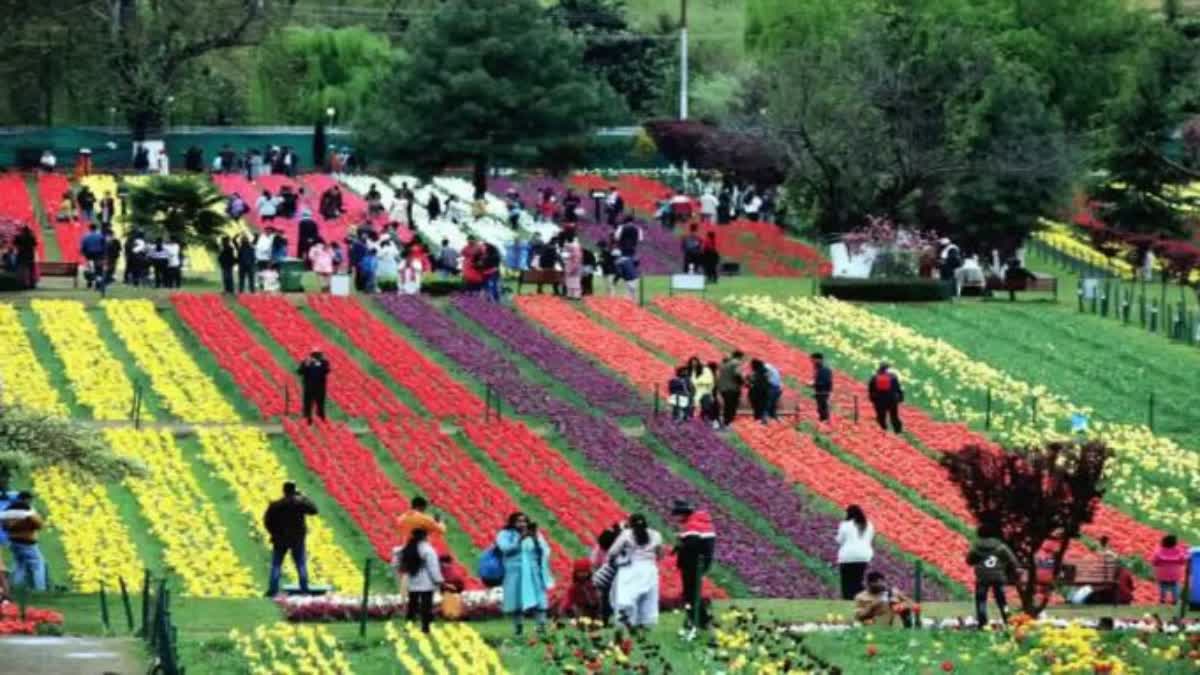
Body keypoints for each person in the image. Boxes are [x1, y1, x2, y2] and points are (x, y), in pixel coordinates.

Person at [496, 512, 554, 636]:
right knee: (517, 600)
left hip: (533, 572)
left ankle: (541, 626)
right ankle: (518, 628)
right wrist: (519, 539)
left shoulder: (535, 534)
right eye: (519, 521)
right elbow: (504, 548)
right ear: (512, 522)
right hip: (515, 572)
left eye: (524, 521)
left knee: (540, 599)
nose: (522, 524)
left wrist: (535, 539)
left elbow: (546, 550)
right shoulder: (505, 534)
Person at [606, 514, 663, 629]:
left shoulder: (627, 534)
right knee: (648, 599)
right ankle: (646, 623)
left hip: (630, 568)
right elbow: (660, 554)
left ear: (630, 523)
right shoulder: (656, 535)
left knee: (626, 598)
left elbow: (612, 552)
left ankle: (626, 622)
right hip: (650, 569)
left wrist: (613, 561)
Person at [262, 482, 318, 597]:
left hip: (280, 539)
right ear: (294, 490)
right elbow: (314, 510)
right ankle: (304, 589)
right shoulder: (299, 504)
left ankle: (273, 590)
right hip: (297, 539)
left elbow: (267, 521)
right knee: (301, 564)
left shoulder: (276, 504)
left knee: (276, 564)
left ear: (284, 491)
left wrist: (274, 533)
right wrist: (304, 497)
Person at [671, 500, 715, 637]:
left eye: (676, 515)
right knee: (693, 593)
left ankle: (697, 621)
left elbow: (692, 544)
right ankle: (702, 620)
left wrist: (681, 542)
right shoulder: (703, 522)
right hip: (701, 563)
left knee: (690, 594)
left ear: (683, 514)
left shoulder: (692, 525)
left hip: (692, 564)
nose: (676, 519)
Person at [967, 524, 1018, 628]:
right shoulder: (1001, 546)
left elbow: (969, 561)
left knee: (981, 601)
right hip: (998, 576)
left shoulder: (977, 547)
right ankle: (1008, 620)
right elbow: (1013, 561)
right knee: (1002, 601)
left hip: (982, 577)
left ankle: (982, 624)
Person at [399, 528, 443, 633]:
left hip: (412, 581)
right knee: (426, 606)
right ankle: (425, 628)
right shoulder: (428, 550)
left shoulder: (408, 548)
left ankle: (408, 627)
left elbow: (399, 563)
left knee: (412, 606)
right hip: (426, 583)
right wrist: (438, 580)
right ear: (425, 536)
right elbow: (433, 567)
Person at [1, 491, 45, 591]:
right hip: (27, 542)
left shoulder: (7, 510)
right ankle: (40, 589)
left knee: (19, 564)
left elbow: (4, 526)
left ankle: (15, 587)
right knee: (38, 564)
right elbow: (39, 524)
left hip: (13, 541)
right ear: (27, 499)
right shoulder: (27, 510)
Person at [836, 505, 875, 600]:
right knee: (858, 579)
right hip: (864, 556)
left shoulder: (845, 525)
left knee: (847, 581)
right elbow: (870, 539)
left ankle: (847, 599)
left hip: (848, 556)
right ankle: (860, 598)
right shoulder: (869, 525)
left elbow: (840, 540)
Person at [1151, 535, 1188, 605]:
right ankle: (1175, 599)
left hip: (1162, 573)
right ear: (1175, 543)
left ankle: (1162, 599)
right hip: (1175, 573)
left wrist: (1156, 565)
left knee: (1162, 586)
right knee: (1175, 586)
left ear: (1163, 542)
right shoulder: (1178, 551)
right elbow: (1183, 560)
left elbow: (1154, 561)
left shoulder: (1159, 551)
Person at [867, 363, 904, 433]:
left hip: (879, 400)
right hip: (892, 400)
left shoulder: (874, 377)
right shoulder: (893, 377)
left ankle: (883, 430)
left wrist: (872, 399)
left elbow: (871, 389)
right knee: (894, 416)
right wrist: (900, 398)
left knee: (881, 417)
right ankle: (898, 431)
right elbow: (898, 389)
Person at [297, 349, 330, 424]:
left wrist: (319, 364)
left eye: (318, 355)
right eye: (316, 355)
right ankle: (307, 420)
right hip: (309, 387)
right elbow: (299, 372)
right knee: (307, 404)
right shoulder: (306, 362)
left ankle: (321, 420)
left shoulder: (324, 362)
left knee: (320, 404)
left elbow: (327, 371)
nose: (317, 356)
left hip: (320, 387)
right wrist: (307, 365)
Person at [716, 351, 745, 428]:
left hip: (723, 388)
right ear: (740, 357)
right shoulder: (736, 363)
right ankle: (728, 422)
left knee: (727, 405)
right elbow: (737, 374)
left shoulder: (724, 364)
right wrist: (742, 382)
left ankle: (725, 421)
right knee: (732, 406)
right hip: (732, 388)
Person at [690, 358, 717, 428]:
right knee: (697, 407)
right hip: (697, 392)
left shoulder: (706, 370)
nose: (694, 364)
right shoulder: (693, 371)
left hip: (706, 391)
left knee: (706, 407)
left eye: (695, 363)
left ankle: (710, 421)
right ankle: (699, 422)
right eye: (692, 363)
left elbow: (709, 380)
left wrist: (699, 381)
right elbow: (693, 381)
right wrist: (699, 382)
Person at [80, 224, 107, 289]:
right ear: (96, 228)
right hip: (98, 255)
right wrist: (104, 255)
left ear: (89, 229)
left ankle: (89, 281)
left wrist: (84, 253)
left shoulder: (85, 236)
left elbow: (83, 247)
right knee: (99, 270)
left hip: (89, 255)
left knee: (89, 269)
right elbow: (104, 246)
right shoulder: (100, 236)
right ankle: (98, 283)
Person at [811, 352, 833, 423]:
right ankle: (823, 422)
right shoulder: (820, 369)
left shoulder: (824, 370)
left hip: (823, 392)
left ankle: (824, 423)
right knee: (820, 409)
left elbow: (825, 382)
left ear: (819, 360)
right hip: (820, 392)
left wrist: (814, 384)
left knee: (823, 409)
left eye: (813, 360)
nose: (812, 362)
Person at [562, 234, 583, 300]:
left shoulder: (571, 247)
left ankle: (573, 295)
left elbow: (565, 255)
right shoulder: (576, 247)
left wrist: (572, 267)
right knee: (574, 281)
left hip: (572, 267)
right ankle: (574, 295)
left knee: (572, 281)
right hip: (574, 266)